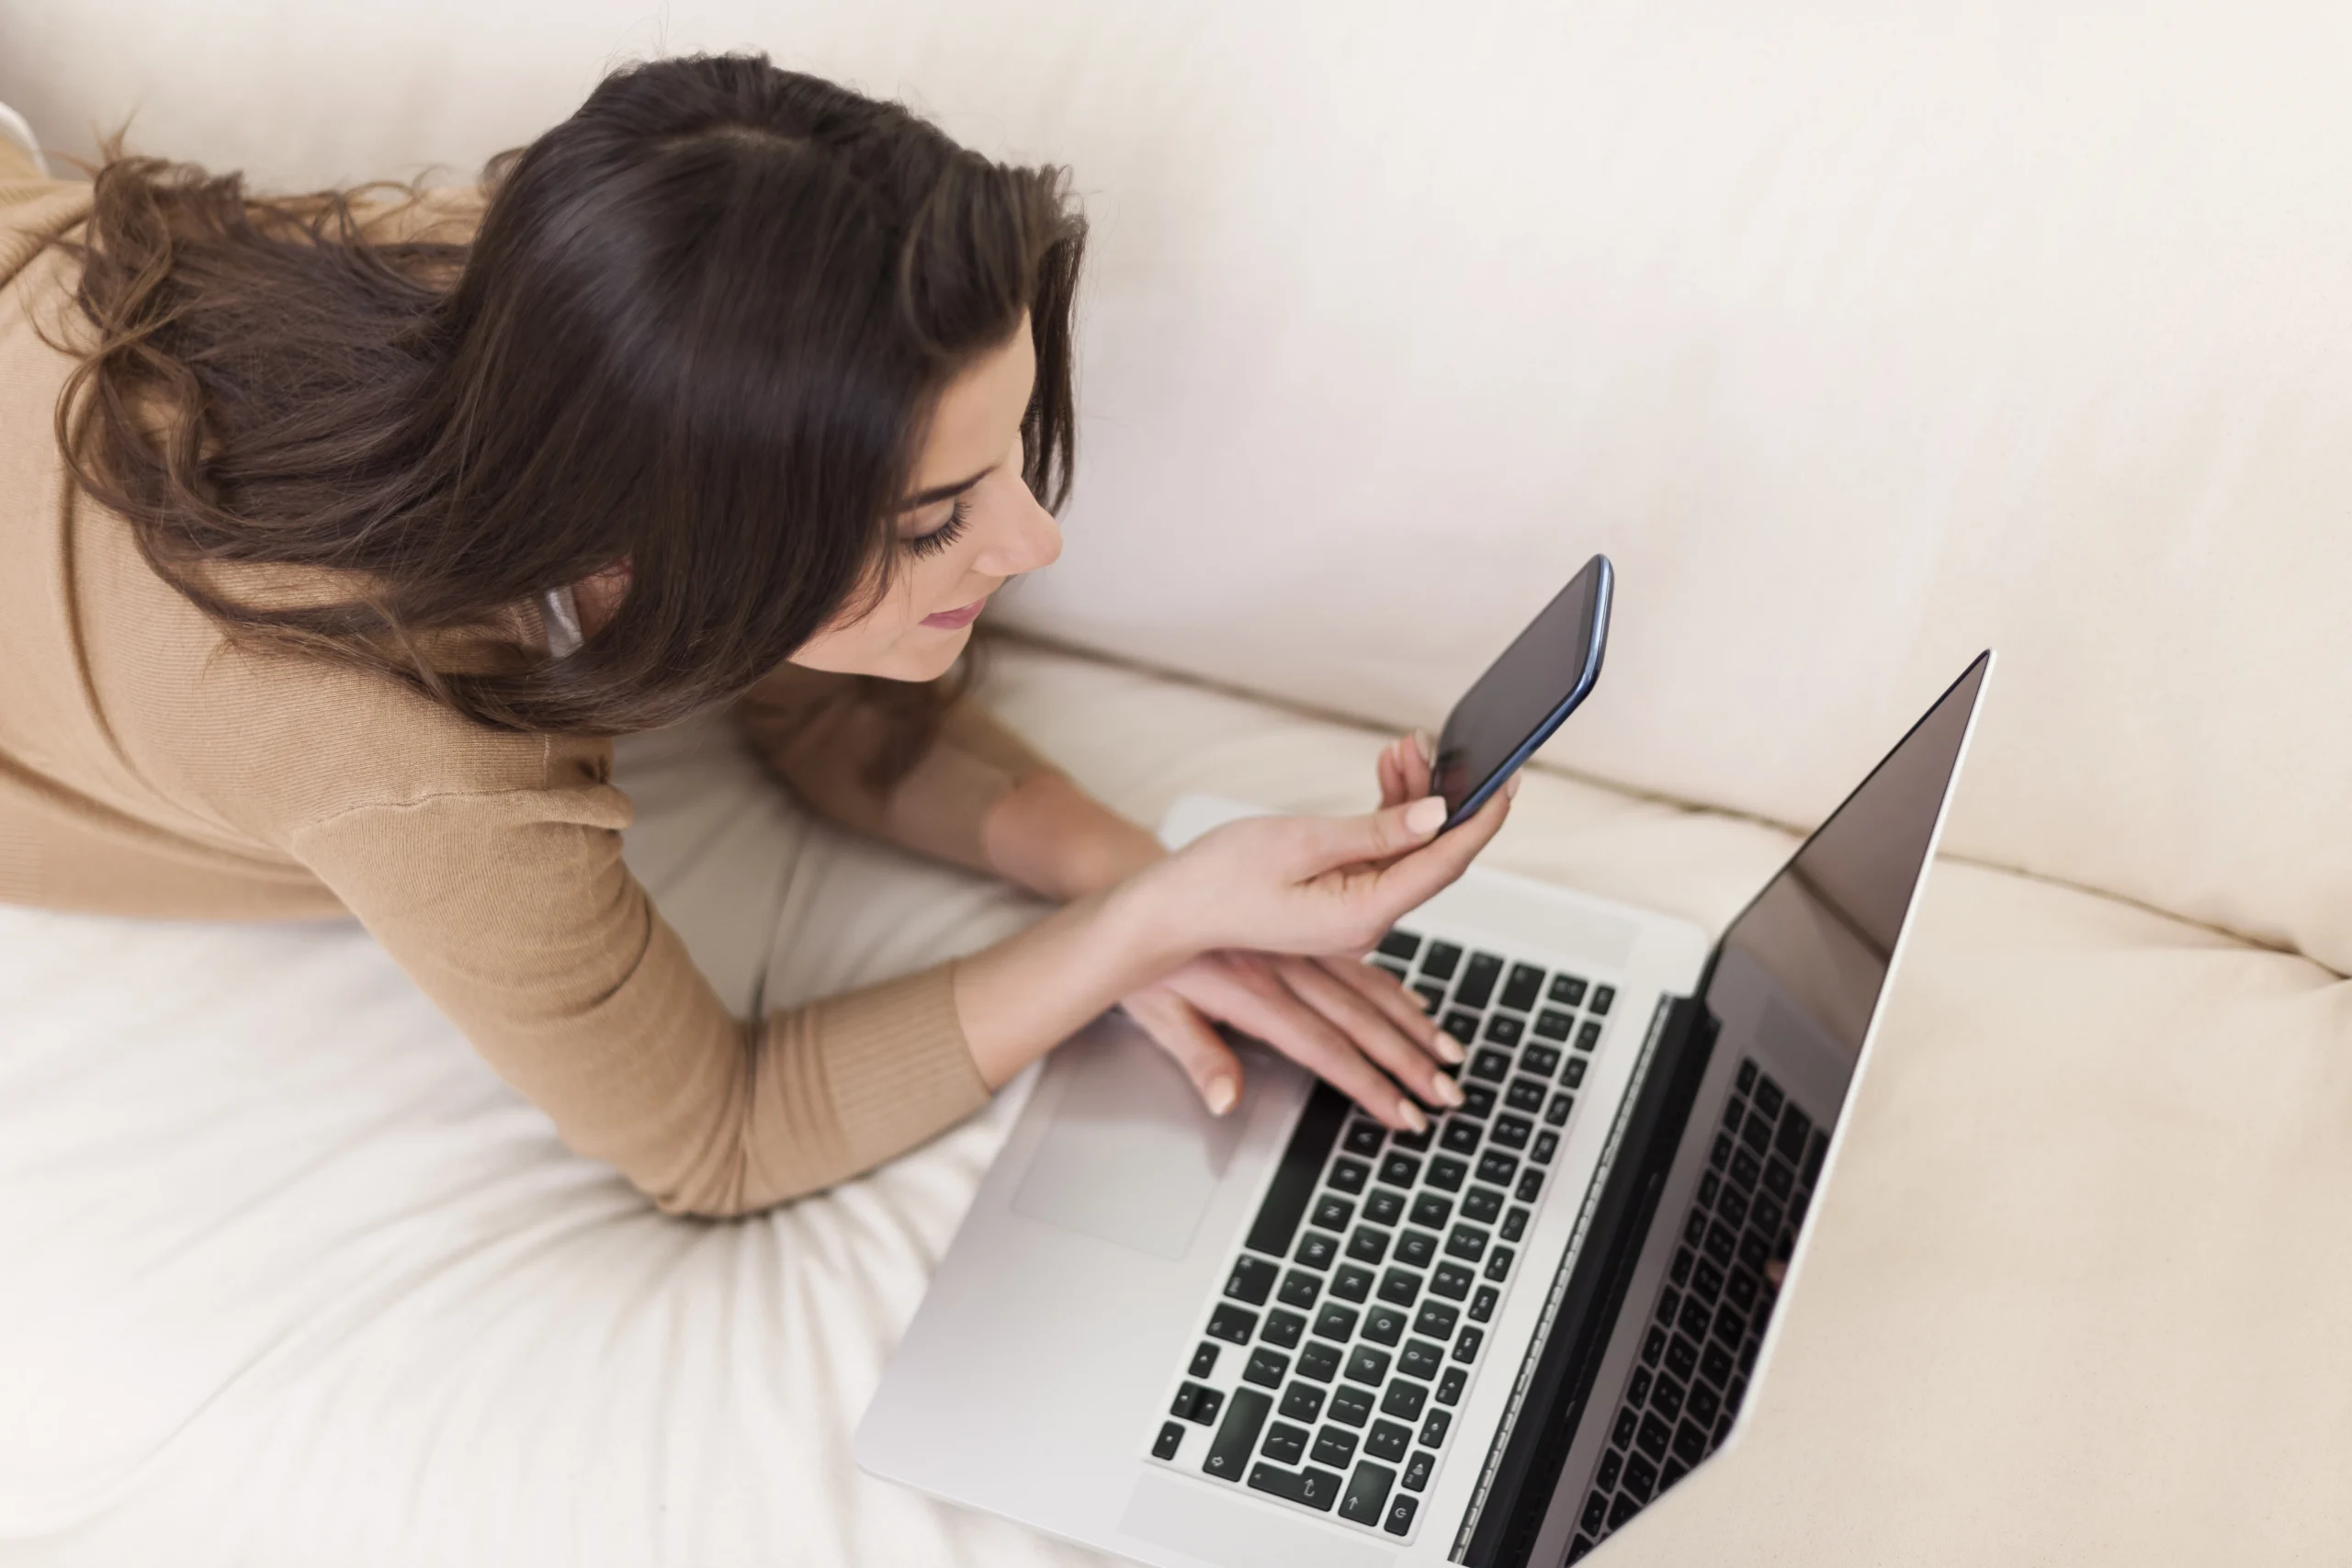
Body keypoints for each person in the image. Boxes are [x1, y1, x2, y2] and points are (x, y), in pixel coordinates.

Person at [0, 54, 1510, 1218]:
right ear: (646, 543)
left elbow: (832, 707)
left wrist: (1151, 874)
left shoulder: (598, 297)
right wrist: (1130, 937)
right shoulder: (416, 766)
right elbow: (720, 1134)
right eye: (936, 519)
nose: (1033, 544)